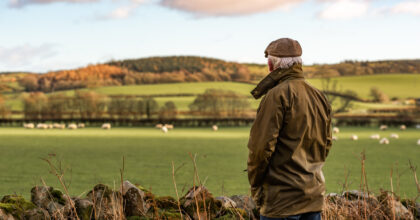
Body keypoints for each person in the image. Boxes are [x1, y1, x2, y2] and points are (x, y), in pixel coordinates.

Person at [247, 38, 332, 220]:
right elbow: (326, 143)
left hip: (281, 202)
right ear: (299, 63)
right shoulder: (319, 96)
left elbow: (260, 149)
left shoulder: (276, 96)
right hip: (313, 197)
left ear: (271, 65)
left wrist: (255, 184)